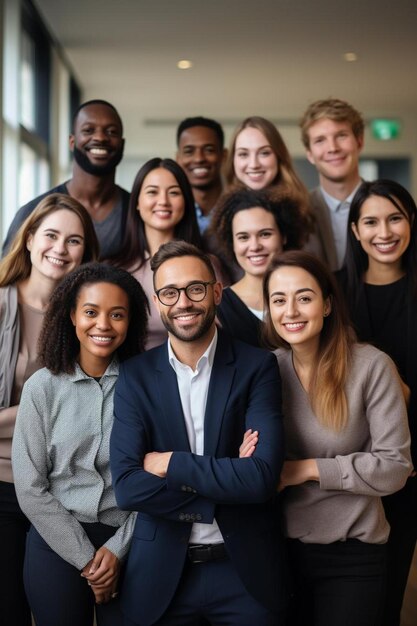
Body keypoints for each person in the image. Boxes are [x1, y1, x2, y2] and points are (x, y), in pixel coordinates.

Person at [110, 240, 286, 626]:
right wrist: (224, 479)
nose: (184, 302)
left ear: (216, 292)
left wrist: (170, 463)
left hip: (245, 574)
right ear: (157, 303)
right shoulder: (136, 376)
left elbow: (260, 479)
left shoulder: (258, 367)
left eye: (195, 288)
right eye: (170, 293)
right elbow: (127, 487)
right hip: (162, 577)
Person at [260, 250, 411, 626]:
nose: (291, 311)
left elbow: (395, 468)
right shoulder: (265, 371)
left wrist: (306, 470)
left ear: (327, 304)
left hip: (354, 554)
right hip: (280, 551)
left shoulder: (371, 366)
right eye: (279, 300)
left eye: (304, 297)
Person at [12, 263, 149, 626]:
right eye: (90, 312)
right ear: (72, 315)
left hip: (128, 542)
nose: (103, 324)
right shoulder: (41, 388)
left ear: (129, 321)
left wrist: (117, 551)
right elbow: (30, 489)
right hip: (56, 539)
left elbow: (155, 482)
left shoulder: (148, 387)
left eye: (116, 314)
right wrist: (89, 561)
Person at [0, 193, 99, 626]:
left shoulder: (84, 319)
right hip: (2, 481)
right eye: (52, 235)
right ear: (29, 239)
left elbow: (86, 403)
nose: (60, 248)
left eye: (74, 240)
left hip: (63, 487)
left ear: (85, 254)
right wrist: (45, 410)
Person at [342, 179, 417, 626]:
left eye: (395, 218)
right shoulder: (332, 292)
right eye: (370, 221)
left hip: (409, 467)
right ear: (354, 230)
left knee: (389, 594)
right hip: (345, 464)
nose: (383, 231)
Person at [110, 157, 226, 349]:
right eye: (152, 192)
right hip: (133, 374)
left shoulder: (207, 265)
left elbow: (222, 331)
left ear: (186, 202)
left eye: (173, 192)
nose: (163, 201)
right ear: (137, 201)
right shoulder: (115, 269)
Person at [3, 99, 129, 259]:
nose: (100, 137)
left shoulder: (138, 212)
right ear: (72, 141)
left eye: (111, 132)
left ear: (122, 144)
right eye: (88, 130)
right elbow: (8, 276)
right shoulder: (33, 212)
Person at [211, 187, 306, 347]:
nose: (254, 246)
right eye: (243, 237)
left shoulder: (308, 295)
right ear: (232, 243)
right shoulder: (219, 307)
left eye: (265, 234)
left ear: (283, 236)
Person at [300, 98, 364, 270]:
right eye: (320, 140)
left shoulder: (390, 206)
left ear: (359, 142)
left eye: (341, 135)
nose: (333, 148)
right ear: (310, 154)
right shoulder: (298, 213)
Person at [176, 116, 227, 234]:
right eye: (189, 151)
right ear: (178, 158)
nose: (199, 159)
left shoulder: (240, 207)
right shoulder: (168, 210)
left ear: (224, 156)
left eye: (209, 150)